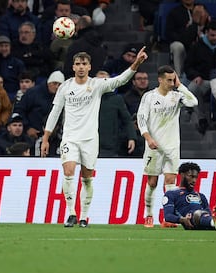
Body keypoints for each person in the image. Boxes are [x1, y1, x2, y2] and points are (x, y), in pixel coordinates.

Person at [41, 47, 148, 228]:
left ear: (89, 67)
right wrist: (46, 137)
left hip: (90, 139)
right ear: (73, 67)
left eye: (84, 64)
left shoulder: (97, 85)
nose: (81, 67)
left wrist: (136, 63)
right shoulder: (65, 87)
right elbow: (55, 112)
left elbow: (120, 80)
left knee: (87, 178)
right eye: (78, 64)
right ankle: (71, 214)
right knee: (68, 173)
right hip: (70, 138)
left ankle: (84, 216)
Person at [137, 65, 198, 228]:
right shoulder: (149, 97)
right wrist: (148, 138)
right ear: (160, 79)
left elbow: (193, 102)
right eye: (169, 80)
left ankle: (169, 218)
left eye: (173, 79)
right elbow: (141, 119)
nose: (171, 83)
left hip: (172, 146)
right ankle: (148, 215)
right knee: (152, 182)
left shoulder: (177, 96)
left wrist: (180, 85)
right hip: (154, 146)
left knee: (171, 182)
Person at [184, 19, 216, 134]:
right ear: (206, 33)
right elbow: (187, 66)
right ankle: (201, 118)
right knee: (192, 88)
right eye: (212, 35)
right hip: (204, 80)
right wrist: (195, 75)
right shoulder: (197, 46)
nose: (215, 38)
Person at [95, 70, 137, 157]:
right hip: (89, 144)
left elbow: (127, 120)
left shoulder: (117, 99)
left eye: (105, 80)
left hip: (110, 145)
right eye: (99, 80)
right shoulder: (87, 98)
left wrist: (131, 137)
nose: (102, 83)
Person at [0, 35, 26, 101]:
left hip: (13, 93)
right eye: (1, 46)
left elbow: (23, 78)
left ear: (10, 47)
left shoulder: (17, 63)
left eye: (6, 46)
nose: (4, 48)